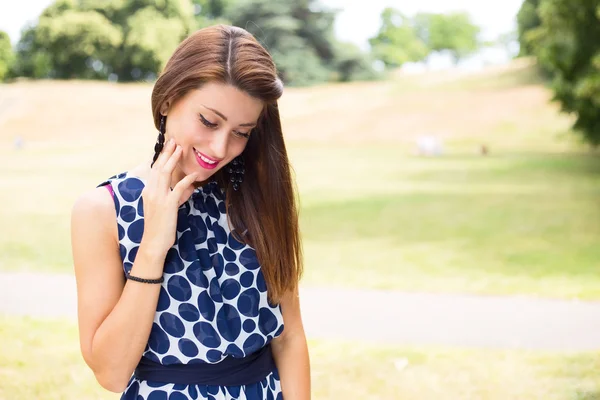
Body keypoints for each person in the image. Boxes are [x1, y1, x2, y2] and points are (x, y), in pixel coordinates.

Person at [71, 25, 310, 400]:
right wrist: (153, 246)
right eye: (209, 121)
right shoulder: (103, 211)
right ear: (167, 101)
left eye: (242, 132)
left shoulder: (256, 198)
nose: (220, 147)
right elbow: (111, 374)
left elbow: (290, 337)